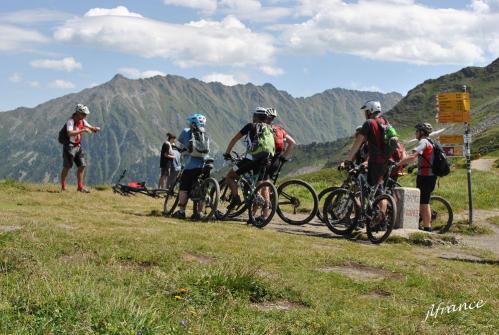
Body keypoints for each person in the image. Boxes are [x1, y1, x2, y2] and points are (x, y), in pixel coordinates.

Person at [223, 107, 275, 214]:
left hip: (251, 158)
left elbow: (234, 139)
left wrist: (227, 153)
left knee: (230, 176)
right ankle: (255, 216)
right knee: (258, 186)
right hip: (266, 159)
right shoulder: (269, 128)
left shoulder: (251, 126)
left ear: (255, 117)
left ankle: (236, 199)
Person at [397, 123, 436, 232]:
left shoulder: (423, 142)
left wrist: (398, 164)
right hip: (427, 175)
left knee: (424, 202)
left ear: (422, 132)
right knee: (423, 201)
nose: (416, 133)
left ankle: (427, 228)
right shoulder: (430, 142)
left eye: (417, 131)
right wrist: (414, 166)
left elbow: (413, 155)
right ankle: (425, 224)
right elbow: (425, 159)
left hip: (426, 176)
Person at [171, 114, 210, 220]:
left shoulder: (186, 132)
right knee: (202, 189)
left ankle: (181, 212)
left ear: (193, 123)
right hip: (204, 165)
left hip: (190, 166)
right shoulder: (205, 134)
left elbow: (178, 145)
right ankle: (199, 213)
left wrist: (179, 149)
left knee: (184, 188)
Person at [345, 101, 390, 186]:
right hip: (386, 161)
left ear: (370, 111)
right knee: (379, 192)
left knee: (375, 194)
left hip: (375, 162)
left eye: (366, 111)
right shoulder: (384, 121)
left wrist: (348, 160)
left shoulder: (369, 122)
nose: (365, 114)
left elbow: (358, 142)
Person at [60, 104, 100, 193]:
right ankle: (63, 187)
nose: (85, 116)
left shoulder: (83, 121)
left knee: (82, 165)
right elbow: (70, 133)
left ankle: (80, 187)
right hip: (69, 147)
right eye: (84, 114)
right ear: (78, 113)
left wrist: (95, 129)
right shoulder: (70, 121)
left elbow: (90, 127)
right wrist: (83, 130)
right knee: (67, 167)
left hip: (78, 146)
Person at [264, 107, 296, 181]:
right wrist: (283, 157)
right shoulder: (279, 129)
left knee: (264, 183)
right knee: (268, 182)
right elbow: (292, 143)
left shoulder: (264, 129)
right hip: (277, 160)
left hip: (266, 160)